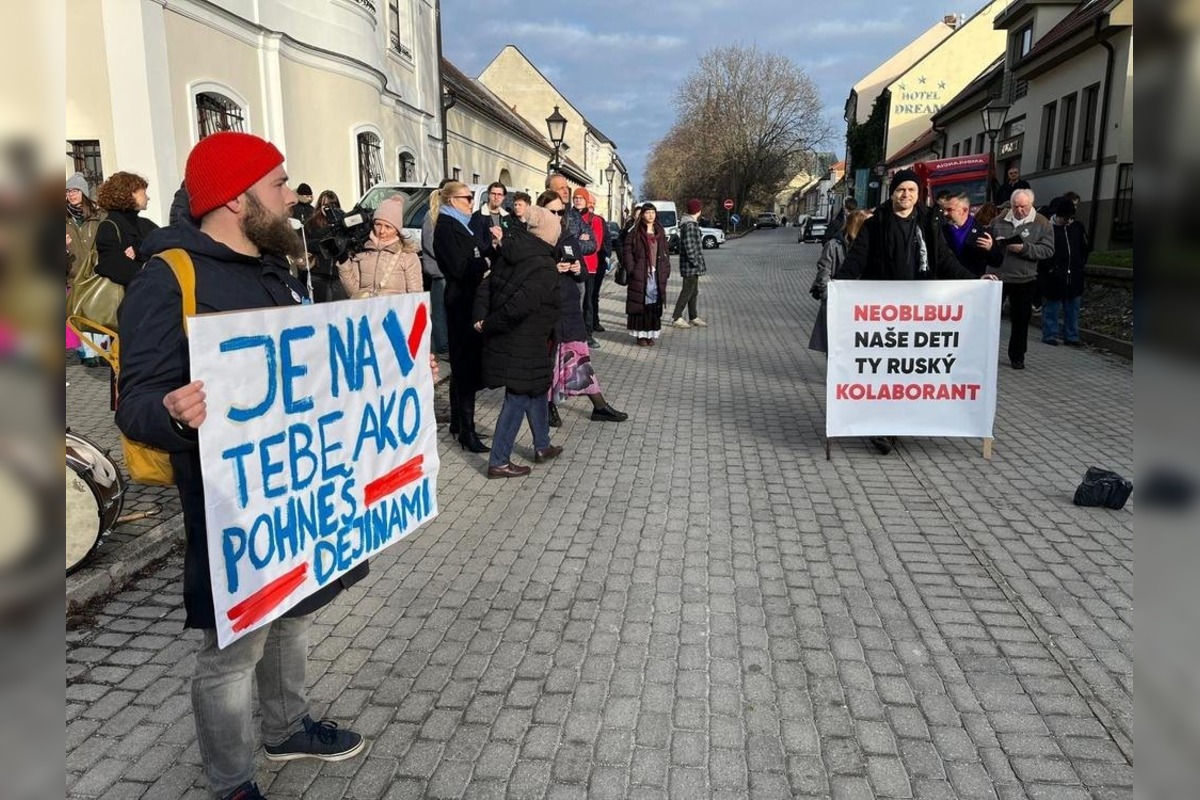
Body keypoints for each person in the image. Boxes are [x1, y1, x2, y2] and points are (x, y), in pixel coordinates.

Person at [114, 132, 366, 800]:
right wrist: (171, 409)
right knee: (234, 648)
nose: (291, 197)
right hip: (228, 495)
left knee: (292, 611)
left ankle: (285, 728)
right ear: (235, 198)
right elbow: (133, 400)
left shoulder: (273, 269)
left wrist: (392, 370)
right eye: (279, 185)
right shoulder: (170, 277)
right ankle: (230, 781)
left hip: (292, 485)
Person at [835, 168, 995, 455]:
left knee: (908, 371)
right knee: (884, 369)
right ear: (892, 193)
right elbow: (857, 258)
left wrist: (974, 280)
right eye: (900, 190)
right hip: (882, 311)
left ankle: (896, 423)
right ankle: (883, 427)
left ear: (918, 195)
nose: (905, 195)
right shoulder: (877, 224)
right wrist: (839, 285)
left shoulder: (929, 223)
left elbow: (944, 260)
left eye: (911, 190)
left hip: (919, 313)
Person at [472, 202, 561, 478]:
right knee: (518, 395)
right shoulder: (544, 265)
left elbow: (487, 285)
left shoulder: (513, 251)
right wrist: (489, 324)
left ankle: (542, 445)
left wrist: (480, 318)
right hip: (524, 339)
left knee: (535, 388)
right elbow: (520, 306)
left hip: (521, 337)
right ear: (549, 235)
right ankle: (499, 460)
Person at [535, 191, 627, 426]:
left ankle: (599, 405)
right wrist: (551, 268)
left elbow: (584, 274)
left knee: (578, 358)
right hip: (545, 310)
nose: (556, 216)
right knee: (550, 360)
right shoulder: (533, 240)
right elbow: (527, 275)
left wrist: (576, 269)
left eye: (560, 212)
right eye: (551, 211)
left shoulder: (567, 237)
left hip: (569, 310)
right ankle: (548, 406)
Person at [435, 180, 491, 452]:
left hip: (468, 299)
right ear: (451, 201)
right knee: (464, 365)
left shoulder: (461, 224)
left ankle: (459, 423)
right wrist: (485, 262)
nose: (471, 202)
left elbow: (474, 253)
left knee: (463, 366)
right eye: (467, 198)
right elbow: (459, 267)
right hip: (460, 302)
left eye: (471, 198)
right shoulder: (446, 227)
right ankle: (467, 431)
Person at [979, 187, 1055, 369]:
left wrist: (1024, 249)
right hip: (998, 277)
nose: (1019, 210)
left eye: (1023, 207)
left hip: (1024, 279)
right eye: (1015, 206)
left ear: (1031, 204)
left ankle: (1017, 356)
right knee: (989, 319)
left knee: (1020, 321)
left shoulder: (1042, 223)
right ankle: (984, 354)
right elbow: (988, 242)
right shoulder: (999, 220)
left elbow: (1048, 250)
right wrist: (991, 246)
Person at [808, 209, 871, 353]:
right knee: (835, 348)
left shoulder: (872, 246)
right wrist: (830, 298)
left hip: (862, 307)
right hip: (838, 305)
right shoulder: (834, 245)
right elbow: (823, 274)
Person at [337, 195, 422, 298]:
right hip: (368, 312)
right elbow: (354, 293)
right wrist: (344, 263)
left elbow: (415, 296)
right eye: (378, 224)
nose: (382, 231)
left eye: (388, 227)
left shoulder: (407, 255)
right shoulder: (362, 251)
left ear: (397, 230)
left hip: (395, 313)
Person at [66, 172, 107, 366]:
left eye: (75, 190)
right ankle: (89, 353)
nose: (71, 194)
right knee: (80, 316)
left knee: (99, 313)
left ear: (83, 192)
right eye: (67, 191)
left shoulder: (98, 216)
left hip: (96, 273)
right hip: (73, 274)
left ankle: (102, 351)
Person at [1038, 197, 1089, 347]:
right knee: (1052, 307)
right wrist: (1050, 268)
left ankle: (1071, 336)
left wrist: (1079, 264)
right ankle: (1049, 334)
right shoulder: (1048, 227)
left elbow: (1084, 248)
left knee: (1072, 309)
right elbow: (1043, 250)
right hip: (1054, 275)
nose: (1067, 221)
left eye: (1070, 217)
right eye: (1065, 217)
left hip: (1074, 274)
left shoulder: (1077, 227)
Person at [95, 171, 159, 287]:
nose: (148, 198)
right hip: (130, 300)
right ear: (131, 193)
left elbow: (167, 251)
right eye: (144, 193)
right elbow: (111, 266)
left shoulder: (146, 224)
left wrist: (139, 252)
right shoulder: (109, 227)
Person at [623, 203, 671, 346]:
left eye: (653, 212)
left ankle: (650, 334)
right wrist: (632, 269)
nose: (650, 215)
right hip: (640, 272)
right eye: (647, 212)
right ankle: (640, 336)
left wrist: (666, 269)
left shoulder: (660, 231)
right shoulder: (635, 231)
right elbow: (627, 251)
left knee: (654, 303)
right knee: (641, 303)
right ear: (642, 214)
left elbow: (665, 252)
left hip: (656, 273)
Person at [571, 187, 606, 345]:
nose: (578, 200)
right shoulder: (568, 217)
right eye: (575, 197)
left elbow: (596, 244)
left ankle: (587, 332)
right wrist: (581, 239)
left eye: (581, 198)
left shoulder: (595, 220)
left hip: (589, 266)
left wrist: (576, 240)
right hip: (571, 265)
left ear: (586, 200)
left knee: (588, 301)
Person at [420, 179, 451, 357]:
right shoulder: (430, 216)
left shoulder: (440, 216)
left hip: (445, 270)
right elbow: (430, 244)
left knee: (444, 309)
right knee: (439, 311)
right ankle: (442, 346)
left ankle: (446, 343)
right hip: (439, 271)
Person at [301, 190, 349, 303]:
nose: (330, 209)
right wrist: (330, 230)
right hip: (318, 276)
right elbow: (307, 243)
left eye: (333, 205)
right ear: (320, 206)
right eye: (326, 206)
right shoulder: (311, 223)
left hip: (338, 276)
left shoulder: (342, 221)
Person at [671, 198, 708, 329]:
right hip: (690, 265)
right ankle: (676, 317)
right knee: (687, 291)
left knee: (694, 291)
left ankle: (693, 316)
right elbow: (689, 246)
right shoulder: (690, 225)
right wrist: (695, 262)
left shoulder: (689, 224)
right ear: (698, 210)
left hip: (691, 264)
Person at [940, 192, 992, 277]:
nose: (945, 213)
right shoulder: (941, 230)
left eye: (949, 210)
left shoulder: (982, 231)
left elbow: (994, 261)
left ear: (965, 210)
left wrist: (990, 249)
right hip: (948, 281)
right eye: (943, 209)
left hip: (973, 281)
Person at [546, 173, 596, 256]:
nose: (566, 191)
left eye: (567, 188)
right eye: (561, 188)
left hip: (572, 266)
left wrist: (568, 247)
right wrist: (573, 243)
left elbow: (592, 244)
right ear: (549, 190)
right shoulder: (540, 215)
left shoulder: (574, 216)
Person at [469, 181, 511, 254]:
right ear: (488, 195)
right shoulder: (478, 216)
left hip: (504, 258)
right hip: (486, 259)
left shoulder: (506, 217)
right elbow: (477, 242)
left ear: (503, 197)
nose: (496, 197)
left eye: (499, 194)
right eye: (493, 194)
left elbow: (510, 239)